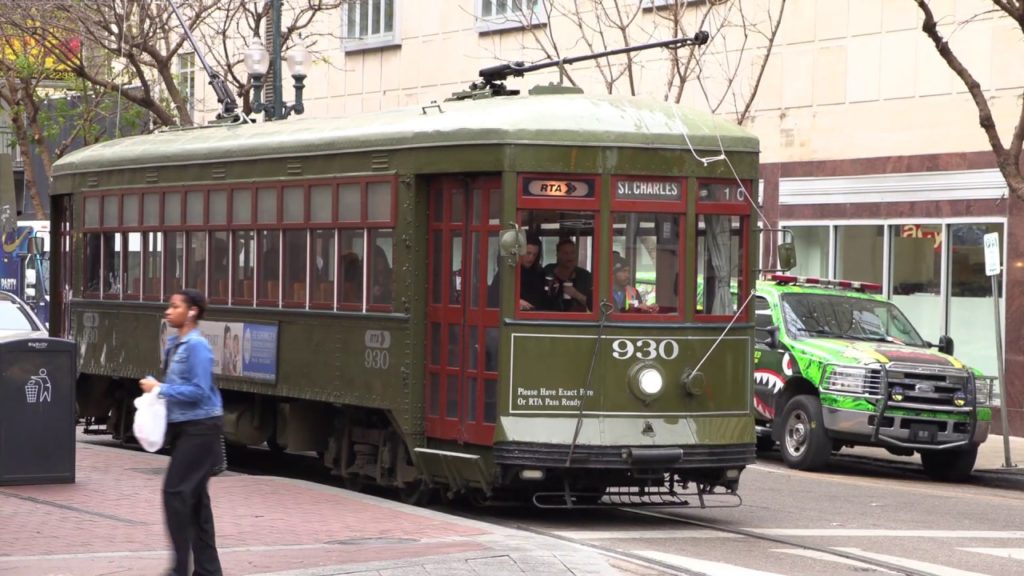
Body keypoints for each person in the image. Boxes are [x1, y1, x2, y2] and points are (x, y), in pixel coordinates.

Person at [139, 289, 224, 576]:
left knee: (175, 492)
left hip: (201, 428)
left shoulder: (197, 346)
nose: (168, 311)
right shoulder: (176, 343)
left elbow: (200, 391)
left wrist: (160, 389)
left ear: (192, 312)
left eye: (175, 306)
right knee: (197, 501)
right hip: (189, 428)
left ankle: (180, 569)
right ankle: (208, 571)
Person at [487, 232, 547, 310]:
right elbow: (493, 297)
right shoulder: (508, 271)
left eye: (534, 254)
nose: (531, 258)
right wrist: (515, 302)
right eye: (528, 253)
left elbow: (543, 300)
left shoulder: (539, 273)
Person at [542, 238, 592, 312]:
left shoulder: (584, 276)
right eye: (565, 253)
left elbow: (593, 305)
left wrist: (576, 294)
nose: (570, 257)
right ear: (558, 255)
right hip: (549, 318)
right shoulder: (548, 271)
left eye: (572, 253)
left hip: (576, 320)